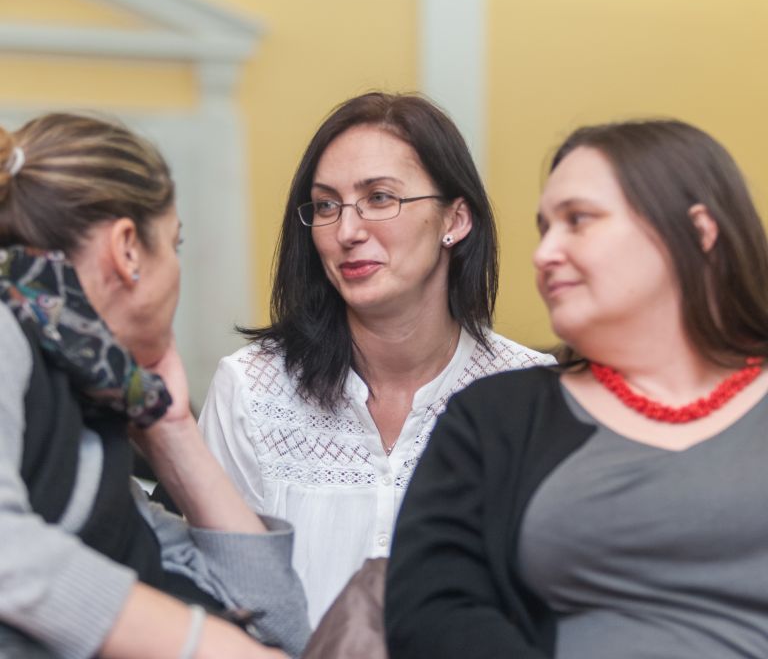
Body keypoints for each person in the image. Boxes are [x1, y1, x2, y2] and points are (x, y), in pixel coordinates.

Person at [385, 118, 768, 659]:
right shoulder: (498, 416)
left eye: (578, 220)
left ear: (699, 231)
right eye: (545, 229)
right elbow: (432, 612)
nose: (544, 254)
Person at [199, 91, 553, 625]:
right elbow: (216, 599)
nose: (347, 232)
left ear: (455, 219)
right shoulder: (252, 390)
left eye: (380, 198)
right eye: (326, 205)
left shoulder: (530, 395)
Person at [0, 113, 310, 659]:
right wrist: (203, 644)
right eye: (174, 242)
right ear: (127, 249)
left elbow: (279, 626)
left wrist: (173, 429)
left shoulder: (90, 429)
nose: (176, 268)